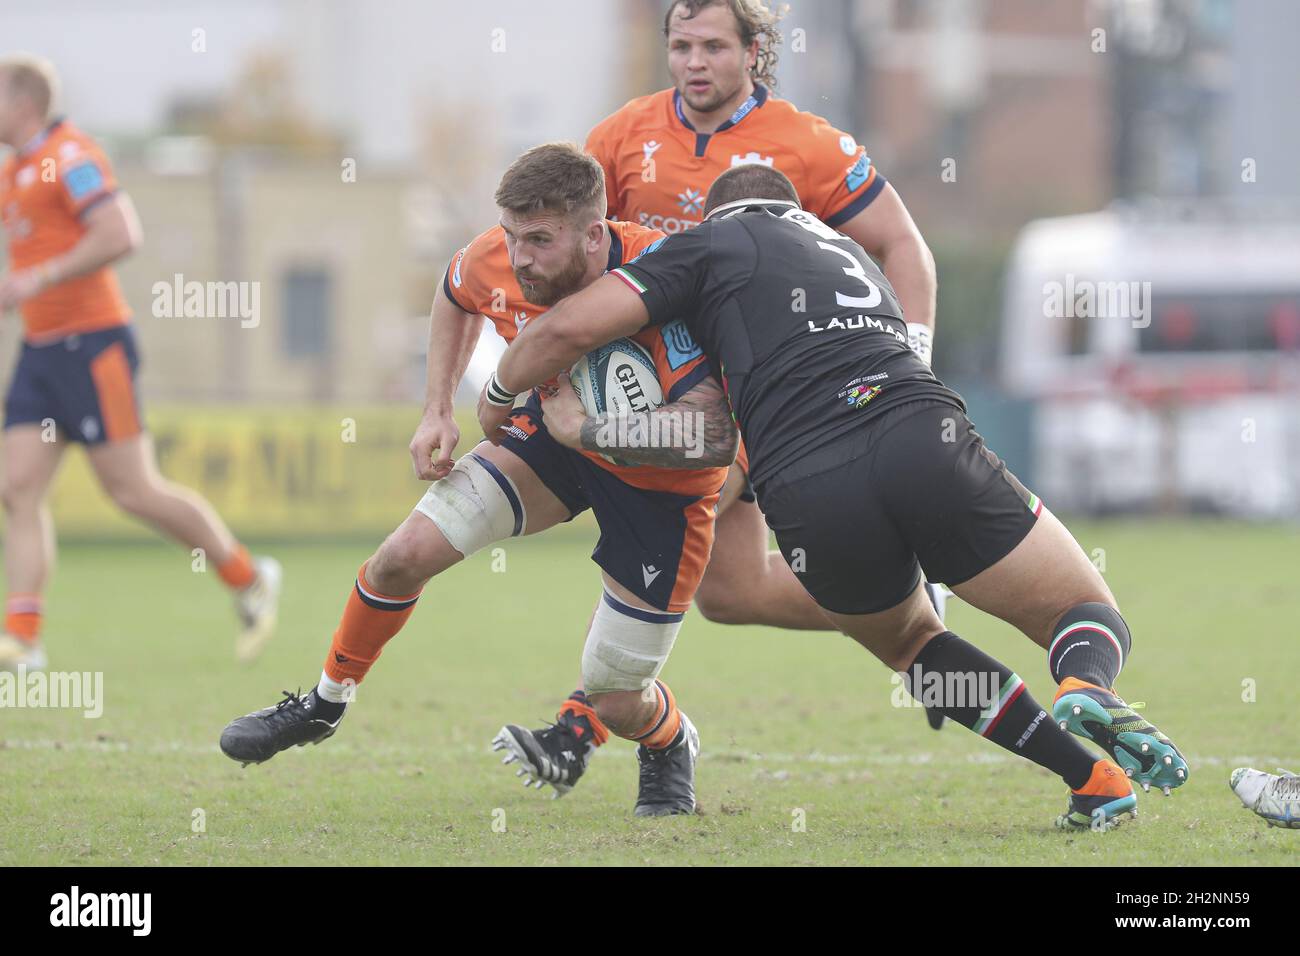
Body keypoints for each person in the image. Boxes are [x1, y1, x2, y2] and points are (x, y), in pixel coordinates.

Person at [479, 162, 1190, 828]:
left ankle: (1092, 783)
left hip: (801, 480)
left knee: (915, 646)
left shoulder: (707, 243)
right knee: (1082, 609)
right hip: (918, 431)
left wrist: (504, 401)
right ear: (794, 211)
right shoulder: (849, 256)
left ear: (723, 213)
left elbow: (569, 326)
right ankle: (1084, 687)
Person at [219, 143, 740, 816]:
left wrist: (590, 430)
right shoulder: (500, 254)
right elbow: (455, 289)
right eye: (513, 236)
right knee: (399, 558)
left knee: (615, 694)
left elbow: (710, 436)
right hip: (554, 443)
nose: (520, 257)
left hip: (663, 487)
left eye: (541, 241)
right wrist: (436, 407)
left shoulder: (658, 274)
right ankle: (324, 704)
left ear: (592, 234)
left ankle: (669, 740)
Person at [503, 0, 951, 769]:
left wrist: (909, 361)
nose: (694, 62)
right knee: (731, 594)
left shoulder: (806, 144)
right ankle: (913, 611)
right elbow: (571, 238)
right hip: (654, 387)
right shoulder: (621, 136)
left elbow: (901, 244)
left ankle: (582, 724)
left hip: (757, 391)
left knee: (663, 519)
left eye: (713, 45)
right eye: (681, 46)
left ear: (754, 51)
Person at [0, 53, 279, 670]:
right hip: (41, 353)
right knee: (16, 487)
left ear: (22, 102)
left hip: (94, 345)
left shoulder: (68, 156)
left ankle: (246, 574)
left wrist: (39, 276)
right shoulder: (13, 172)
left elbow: (120, 232)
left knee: (131, 491)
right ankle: (24, 639)